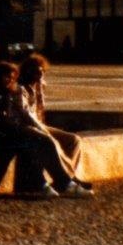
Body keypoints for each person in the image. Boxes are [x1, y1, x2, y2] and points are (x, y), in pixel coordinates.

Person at [0, 62, 93, 199]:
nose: (9, 80)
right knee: (40, 140)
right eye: (6, 77)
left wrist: (40, 129)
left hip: (11, 130)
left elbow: (23, 114)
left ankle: (59, 182)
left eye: (12, 77)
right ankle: (63, 183)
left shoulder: (15, 90)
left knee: (41, 140)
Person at [17, 54, 92, 189]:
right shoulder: (20, 88)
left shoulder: (38, 86)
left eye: (43, 72)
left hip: (39, 125)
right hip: (27, 127)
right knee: (53, 141)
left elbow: (40, 111)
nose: (41, 75)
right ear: (28, 71)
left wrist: (40, 89)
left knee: (74, 140)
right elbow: (26, 116)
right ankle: (68, 179)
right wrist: (44, 130)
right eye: (38, 72)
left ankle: (68, 177)